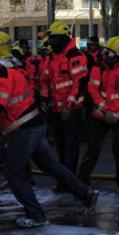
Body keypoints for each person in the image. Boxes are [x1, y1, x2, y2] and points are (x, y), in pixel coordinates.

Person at [0, 30, 98, 228]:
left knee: (13, 172)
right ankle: (85, 193)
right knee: (50, 165)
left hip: (24, 128)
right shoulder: (8, 66)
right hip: (34, 123)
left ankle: (37, 215)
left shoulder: (1, 71)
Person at [78, 37, 119, 195]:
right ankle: (81, 182)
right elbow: (93, 90)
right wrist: (105, 110)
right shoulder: (99, 67)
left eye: (110, 54)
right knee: (92, 150)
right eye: (105, 52)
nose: (106, 56)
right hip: (100, 115)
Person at [39, 21, 89, 187]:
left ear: (63, 37)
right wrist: (45, 99)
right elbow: (45, 79)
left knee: (71, 146)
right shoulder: (51, 56)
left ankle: (71, 181)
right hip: (54, 108)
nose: (51, 41)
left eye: (53, 38)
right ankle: (63, 179)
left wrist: (69, 106)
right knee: (60, 146)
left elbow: (79, 82)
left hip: (71, 109)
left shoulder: (75, 55)